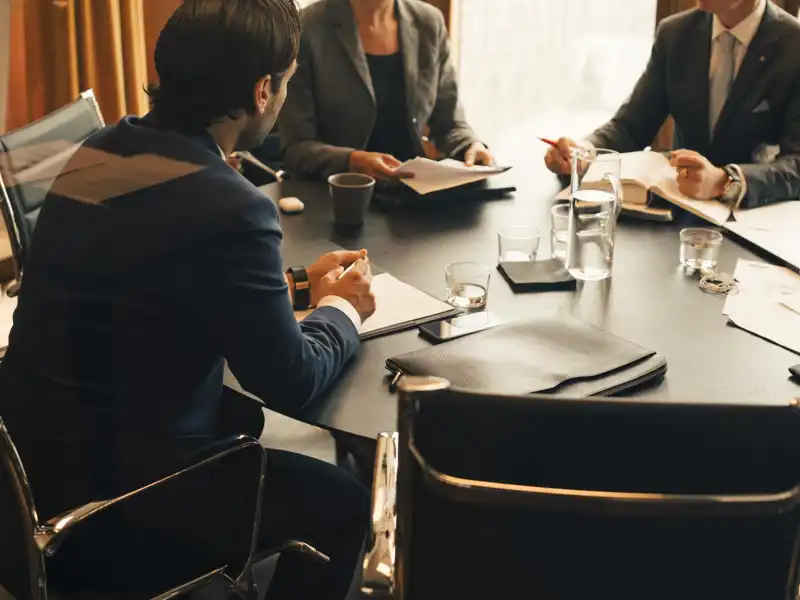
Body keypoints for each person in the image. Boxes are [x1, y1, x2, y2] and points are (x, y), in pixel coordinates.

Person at [0, 1, 374, 599]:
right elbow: (291, 381)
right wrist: (344, 310)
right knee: (342, 506)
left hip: (28, 473)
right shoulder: (232, 207)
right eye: (286, 80)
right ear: (260, 90)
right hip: (127, 498)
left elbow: (151, 285)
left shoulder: (101, 150)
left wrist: (302, 286)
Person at [545, 0, 800, 211]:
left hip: (754, 220)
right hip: (676, 214)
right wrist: (582, 154)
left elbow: (797, 164)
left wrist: (725, 182)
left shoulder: (793, 45)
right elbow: (631, 126)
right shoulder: (675, 33)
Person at [278, 0, 494, 181]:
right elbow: (296, 148)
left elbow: (450, 122)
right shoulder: (307, 28)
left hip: (412, 191)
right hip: (337, 197)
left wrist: (470, 145)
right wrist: (352, 160)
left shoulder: (429, 23)